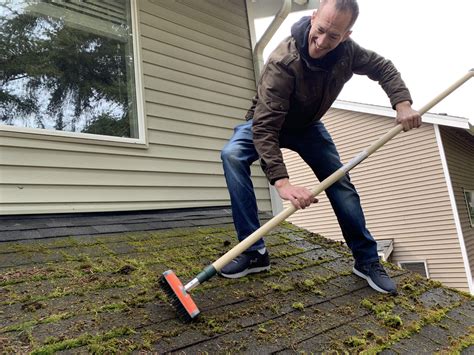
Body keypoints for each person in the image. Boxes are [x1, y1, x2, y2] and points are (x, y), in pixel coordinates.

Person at [219, 0, 421, 295]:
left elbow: (383, 67)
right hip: (268, 120)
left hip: (308, 127)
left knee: (340, 181)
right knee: (232, 155)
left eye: (334, 36)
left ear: (347, 35)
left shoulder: (348, 53)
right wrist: (283, 182)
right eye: (321, 30)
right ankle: (253, 253)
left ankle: (366, 260)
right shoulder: (283, 62)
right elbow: (265, 128)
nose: (323, 42)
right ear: (313, 18)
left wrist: (402, 103)